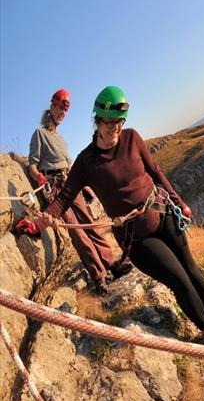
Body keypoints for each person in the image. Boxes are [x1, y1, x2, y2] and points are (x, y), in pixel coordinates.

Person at [16, 86, 204, 349]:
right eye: (110, 123)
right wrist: (39, 223)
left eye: (119, 122)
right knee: (179, 279)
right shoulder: (86, 161)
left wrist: (179, 201)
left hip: (163, 213)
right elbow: (64, 198)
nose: (115, 129)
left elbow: (156, 173)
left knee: (192, 269)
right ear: (98, 121)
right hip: (138, 237)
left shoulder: (132, 138)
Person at [26, 88, 131, 294]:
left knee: (90, 224)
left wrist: (85, 186)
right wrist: (39, 177)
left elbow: (72, 167)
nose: (62, 114)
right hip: (53, 189)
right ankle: (98, 277)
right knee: (77, 231)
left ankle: (111, 263)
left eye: (65, 112)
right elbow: (32, 165)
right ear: (52, 107)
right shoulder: (40, 134)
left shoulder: (62, 140)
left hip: (70, 183)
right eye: (60, 109)